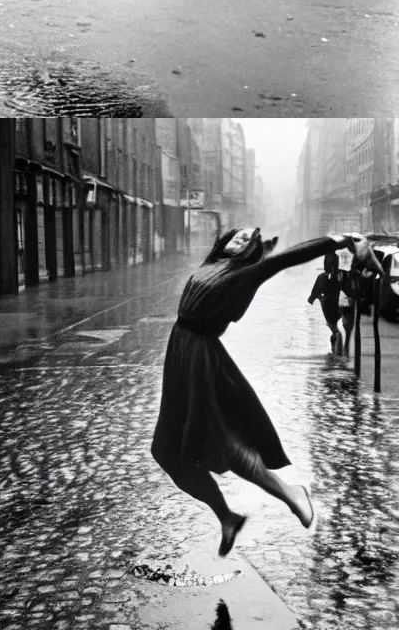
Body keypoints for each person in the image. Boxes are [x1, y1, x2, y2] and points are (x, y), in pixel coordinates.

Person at [151, 227, 384, 557]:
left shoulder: (244, 273)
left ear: (250, 252)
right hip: (181, 357)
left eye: (248, 241)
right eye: (239, 235)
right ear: (225, 238)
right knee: (166, 451)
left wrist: (339, 240)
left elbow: (288, 258)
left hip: (199, 364)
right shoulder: (211, 264)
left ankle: (291, 495)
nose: (241, 240)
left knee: (220, 446)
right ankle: (228, 516)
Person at [307, 251, 346, 354]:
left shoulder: (321, 277)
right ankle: (338, 348)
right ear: (337, 263)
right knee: (338, 327)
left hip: (328, 307)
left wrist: (318, 298)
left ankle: (335, 348)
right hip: (341, 306)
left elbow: (312, 297)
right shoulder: (343, 274)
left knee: (334, 328)